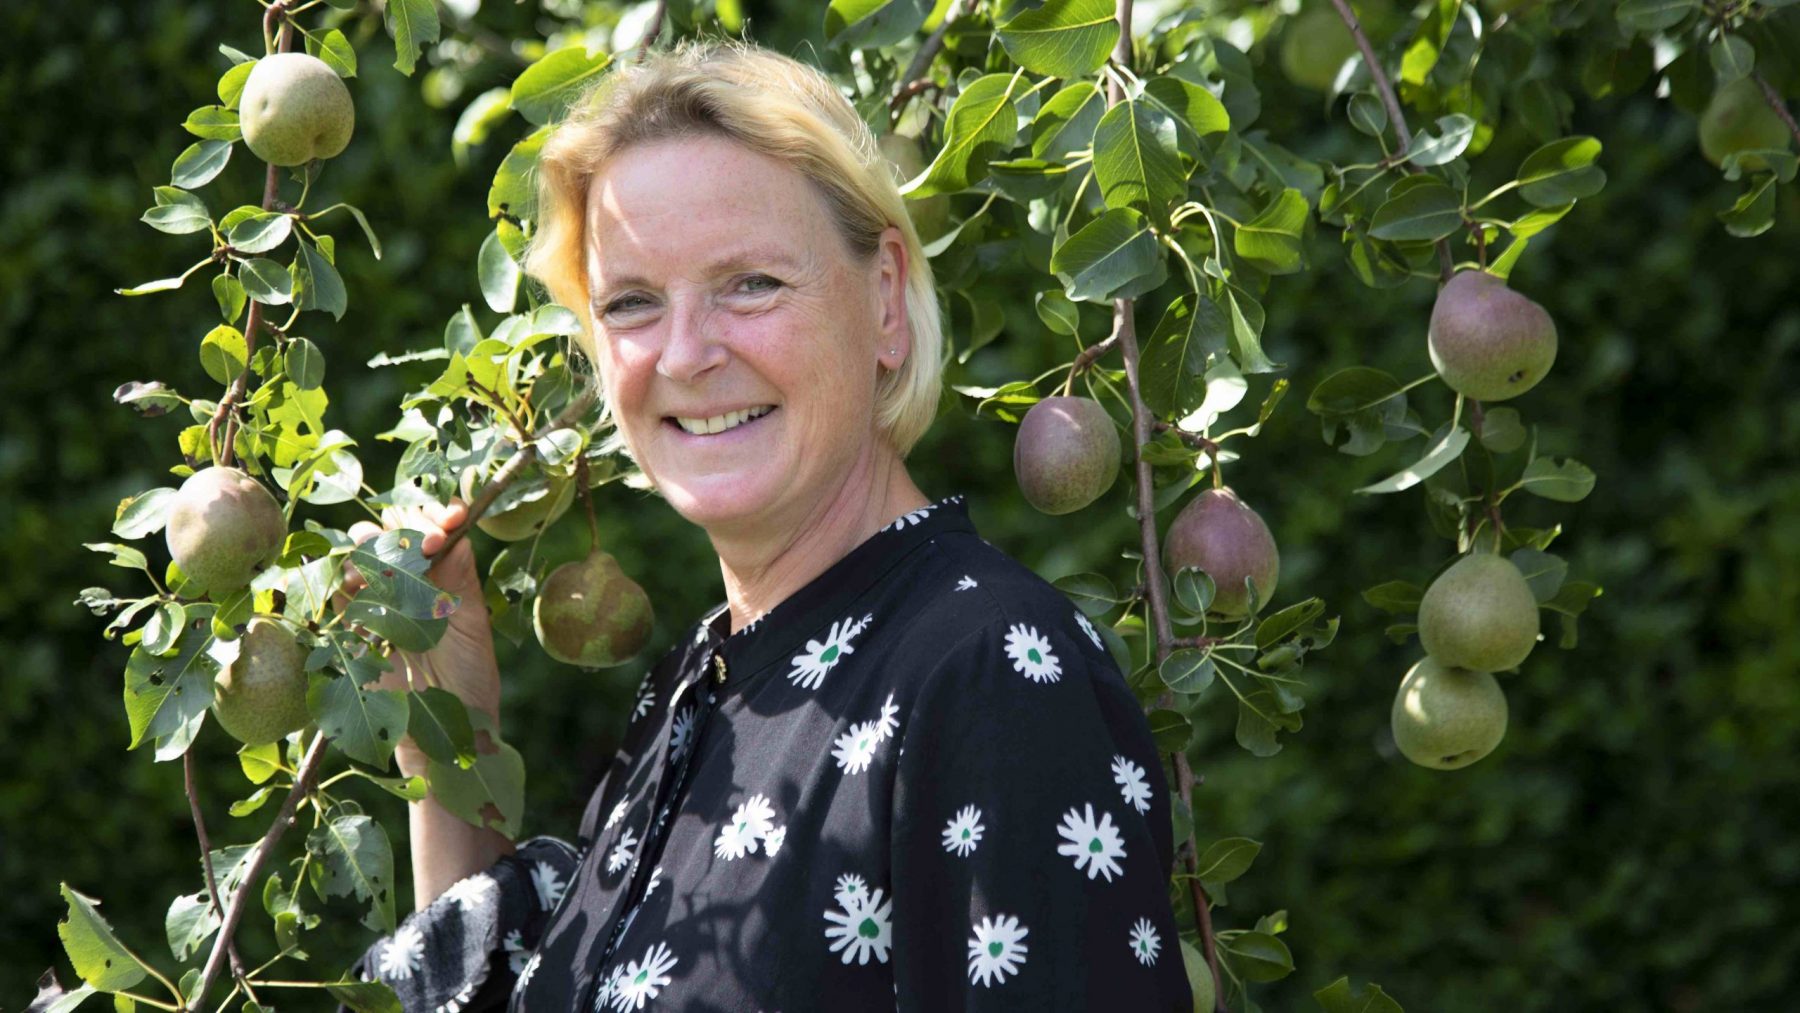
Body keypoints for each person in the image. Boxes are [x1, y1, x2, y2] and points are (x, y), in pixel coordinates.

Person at [339, 37, 1192, 1012]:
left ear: (883, 302)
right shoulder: (705, 694)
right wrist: (449, 742)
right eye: (632, 303)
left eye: (750, 282)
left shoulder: (988, 669)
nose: (688, 353)